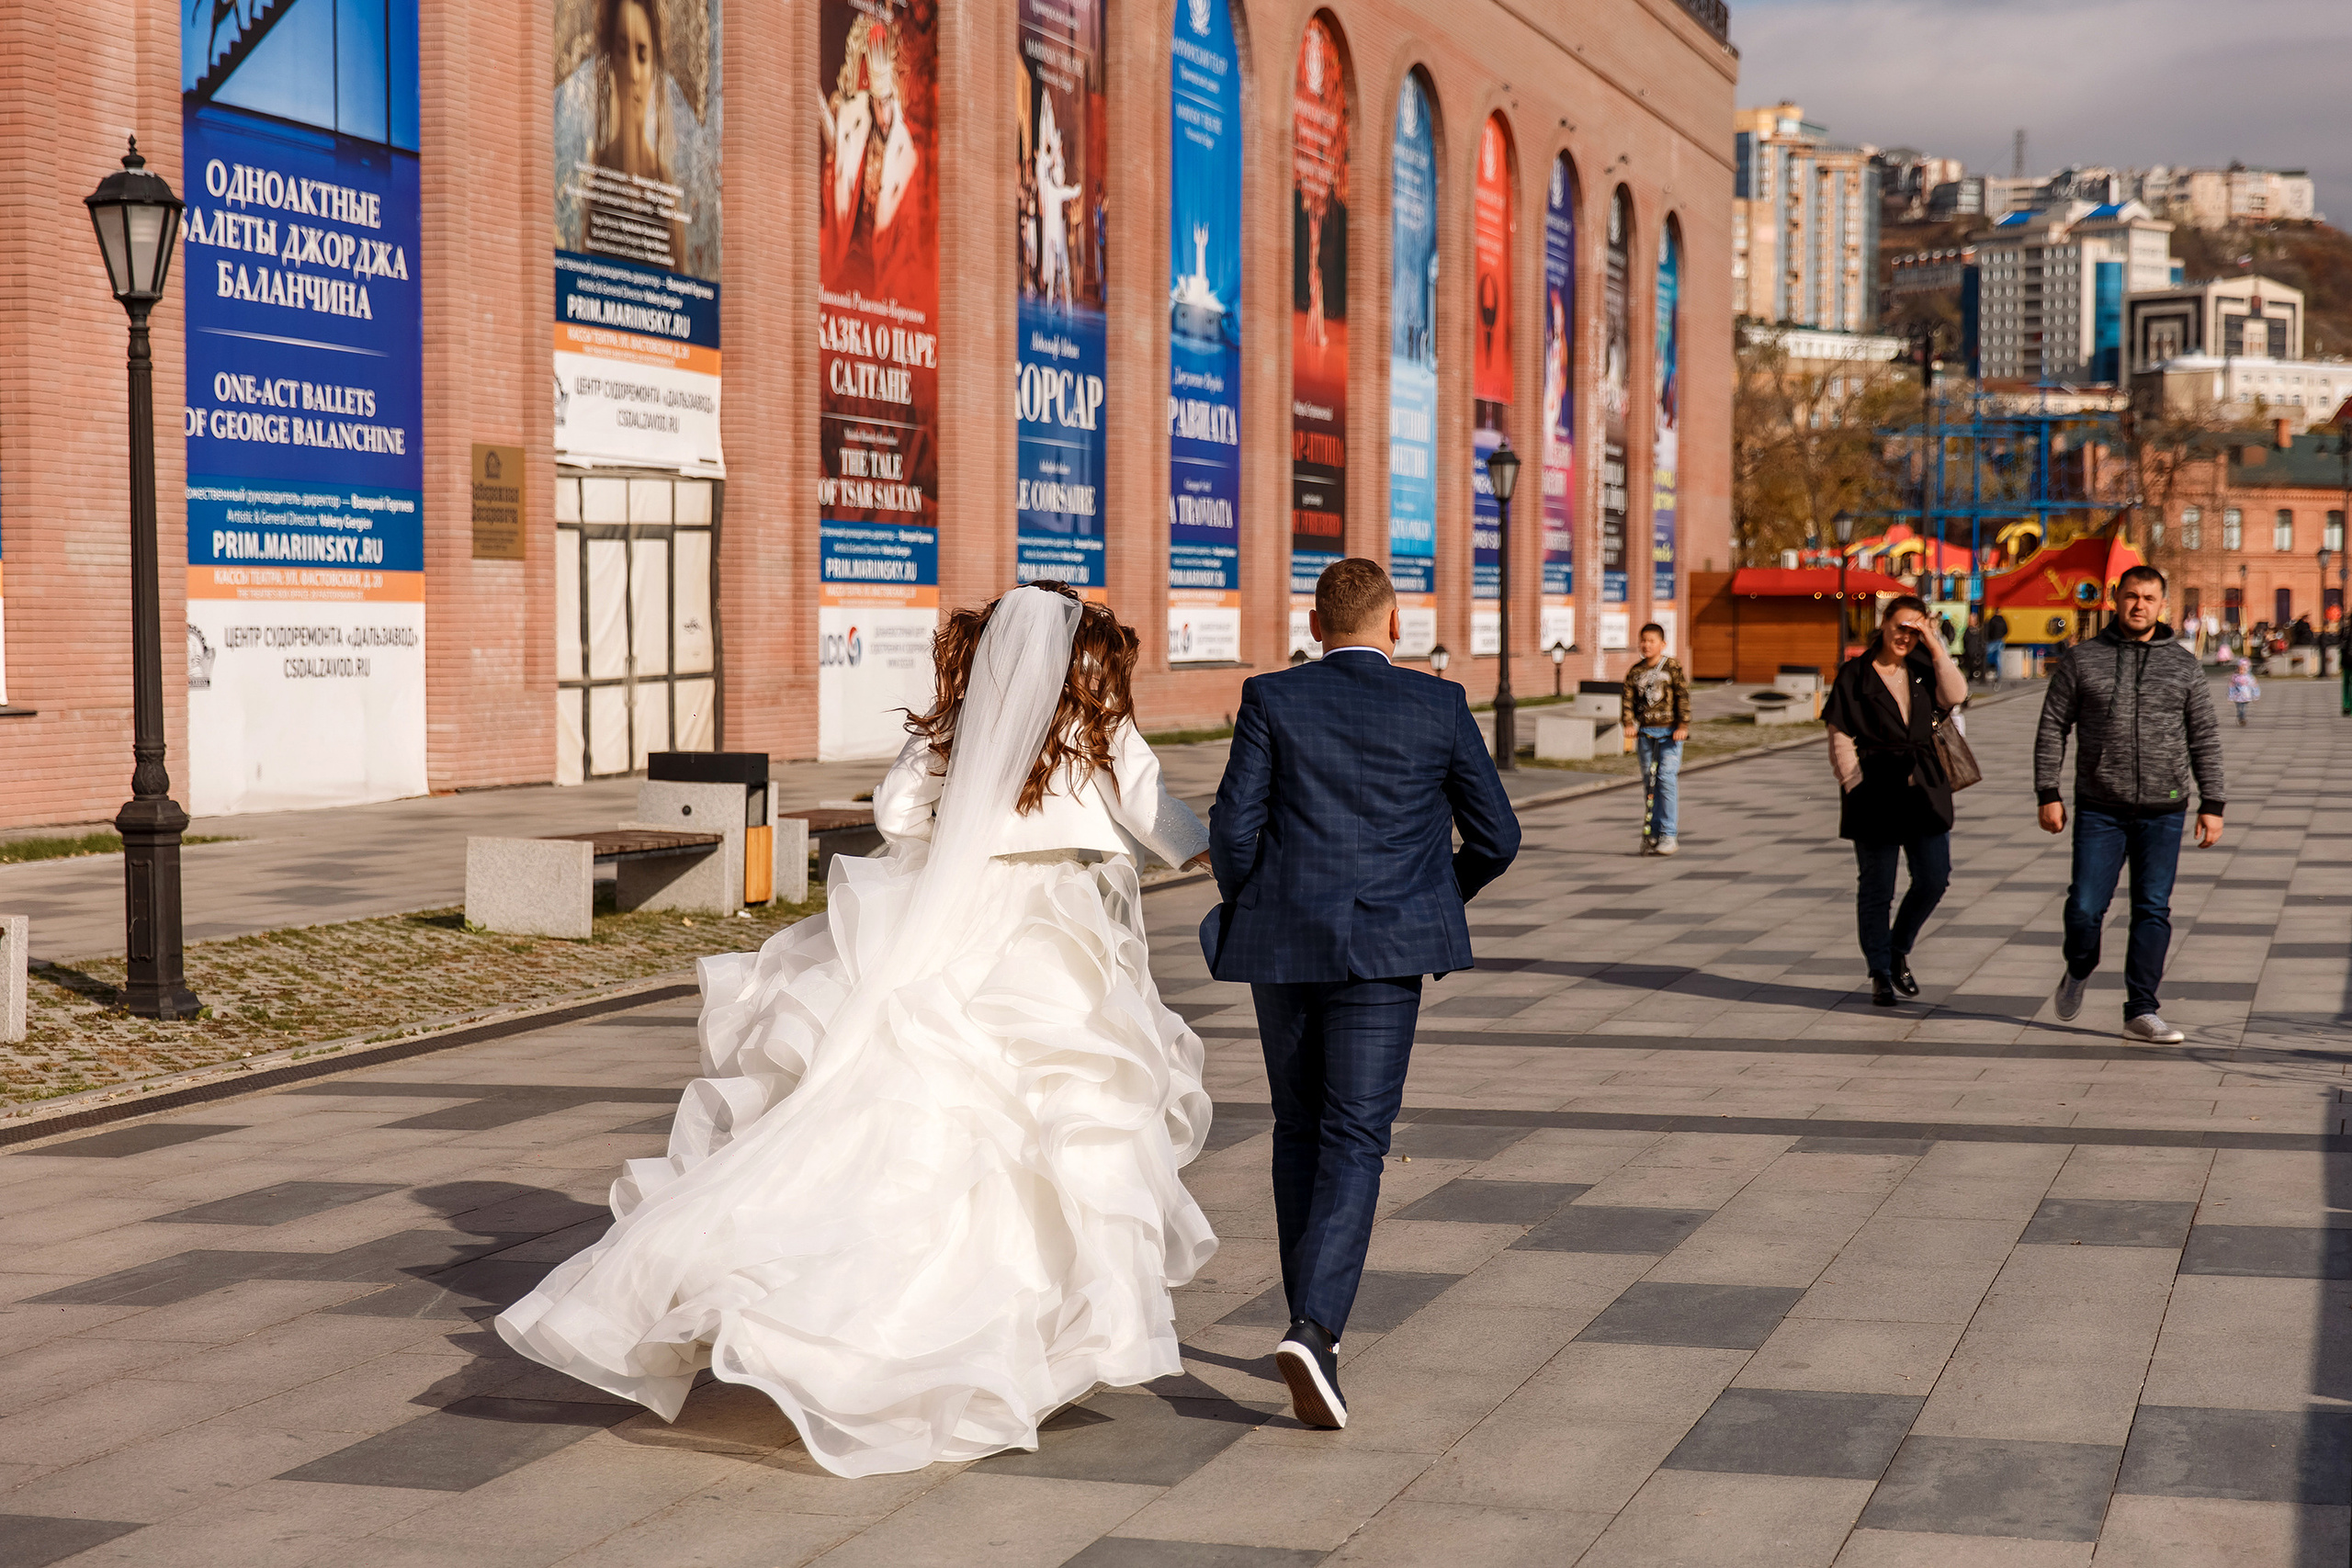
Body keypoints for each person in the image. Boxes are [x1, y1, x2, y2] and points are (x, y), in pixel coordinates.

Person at [497, 584, 1220, 1477]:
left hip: (952, 916)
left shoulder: (954, 723)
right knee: (1049, 1120)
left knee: (894, 1103)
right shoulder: (1094, 710)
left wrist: (960, 830)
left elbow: (892, 814)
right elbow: (1147, 798)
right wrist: (1207, 850)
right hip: (1054, 924)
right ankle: (1014, 1329)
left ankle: (810, 1293)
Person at [1203, 558, 1519, 1430]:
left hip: (1282, 944)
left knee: (1297, 1130)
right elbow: (1498, 835)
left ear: (1315, 624)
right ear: (1396, 625)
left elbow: (1234, 830)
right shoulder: (1440, 704)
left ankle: (1312, 1329)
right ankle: (1316, 1327)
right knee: (1355, 1138)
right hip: (1387, 951)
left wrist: (1255, 900)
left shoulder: (1271, 697)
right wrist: (1433, 895)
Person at [2035, 565, 2226, 1044]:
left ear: (2163, 604)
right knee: (2083, 908)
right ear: (2116, 600)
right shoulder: (2083, 660)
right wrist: (2048, 791)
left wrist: (2213, 802)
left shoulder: (2183, 665)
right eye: (2131, 596)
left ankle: (2141, 1009)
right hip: (2100, 807)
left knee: (2153, 909)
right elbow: (2052, 726)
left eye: (2149, 597)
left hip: (2164, 809)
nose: (2139, 605)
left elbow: (2204, 736)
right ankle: (2079, 966)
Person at [1823, 595, 1969, 1008]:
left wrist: (1935, 644)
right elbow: (1839, 734)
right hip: (1874, 788)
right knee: (1877, 888)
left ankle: (1897, 947)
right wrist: (1854, 785)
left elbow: (1956, 693)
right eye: (1901, 626)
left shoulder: (1924, 667)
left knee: (1934, 877)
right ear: (1883, 624)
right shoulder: (1855, 673)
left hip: (1924, 787)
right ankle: (1880, 972)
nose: (1906, 636)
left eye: (1915, 629)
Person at [1620, 622, 1692, 855]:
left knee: (1666, 779)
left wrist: (1683, 724)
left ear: (1662, 644)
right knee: (1650, 783)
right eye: (1643, 640)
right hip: (1646, 734)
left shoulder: (1672, 667)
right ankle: (1653, 831)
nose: (1646, 645)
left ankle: (1669, 834)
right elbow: (1628, 700)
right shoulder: (1635, 671)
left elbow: (1683, 695)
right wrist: (1629, 724)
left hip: (1670, 734)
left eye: (1651, 641)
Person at [2230, 658, 2260, 724]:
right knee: (2239, 708)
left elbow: (2255, 686)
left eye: (2243, 669)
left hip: (2246, 696)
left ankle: (2242, 718)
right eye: (2240, 669)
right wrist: (2230, 696)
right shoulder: (2235, 677)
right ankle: (2240, 717)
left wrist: (2256, 695)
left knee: (2243, 708)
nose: (2241, 671)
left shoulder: (2249, 678)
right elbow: (2232, 687)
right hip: (2237, 696)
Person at [1984, 610, 2008, 688]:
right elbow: (2006, 630)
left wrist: (1989, 638)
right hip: (2000, 640)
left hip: (1992, 641)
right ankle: (1998, 675)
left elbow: (1988, 630)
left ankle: (1985, 671)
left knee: (1985, 655)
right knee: (1999, 658)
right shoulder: (2003, 621)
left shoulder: (1992, 620)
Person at [1962, 611, 1988, 684]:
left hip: (1978, 651)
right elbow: (1965, 640)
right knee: (1970, 665)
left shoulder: (1979, 630)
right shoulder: (1968, 630)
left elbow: (1982, 639)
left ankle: (1982, 679)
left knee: (1981, 665)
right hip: (1970, 651)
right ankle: (1971, 677)